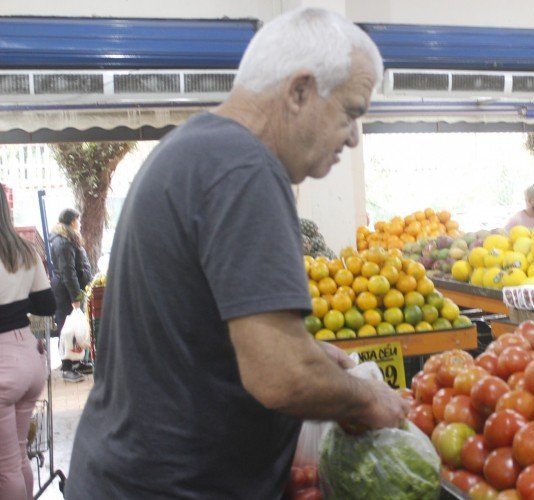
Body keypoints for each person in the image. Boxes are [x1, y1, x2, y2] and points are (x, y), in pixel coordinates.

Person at [66, 8, 408, 499]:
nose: (355, 136)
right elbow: (281, 377)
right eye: (351, 111)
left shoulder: (191, 148)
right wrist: (365, 399)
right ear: (299, 91)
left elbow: (197, 336)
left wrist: (305, 351)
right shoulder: (247, 170)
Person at [0, 183, 56, 500]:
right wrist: (17, 300)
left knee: (5, 468)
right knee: (20, 457)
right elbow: (47, 306)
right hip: (29, 357)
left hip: (2, 367)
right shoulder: (25, 251)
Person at [49, 208, 92, 382]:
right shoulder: (63, 242)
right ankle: (67, 366)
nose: (79, 223)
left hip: (72, 290)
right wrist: (75, 297)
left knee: (75, 328)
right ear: (72, 221)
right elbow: (68, 271)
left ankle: (76, 361)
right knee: (67, 329)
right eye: (78, 220)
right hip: (66, 292)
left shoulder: (68, 239)